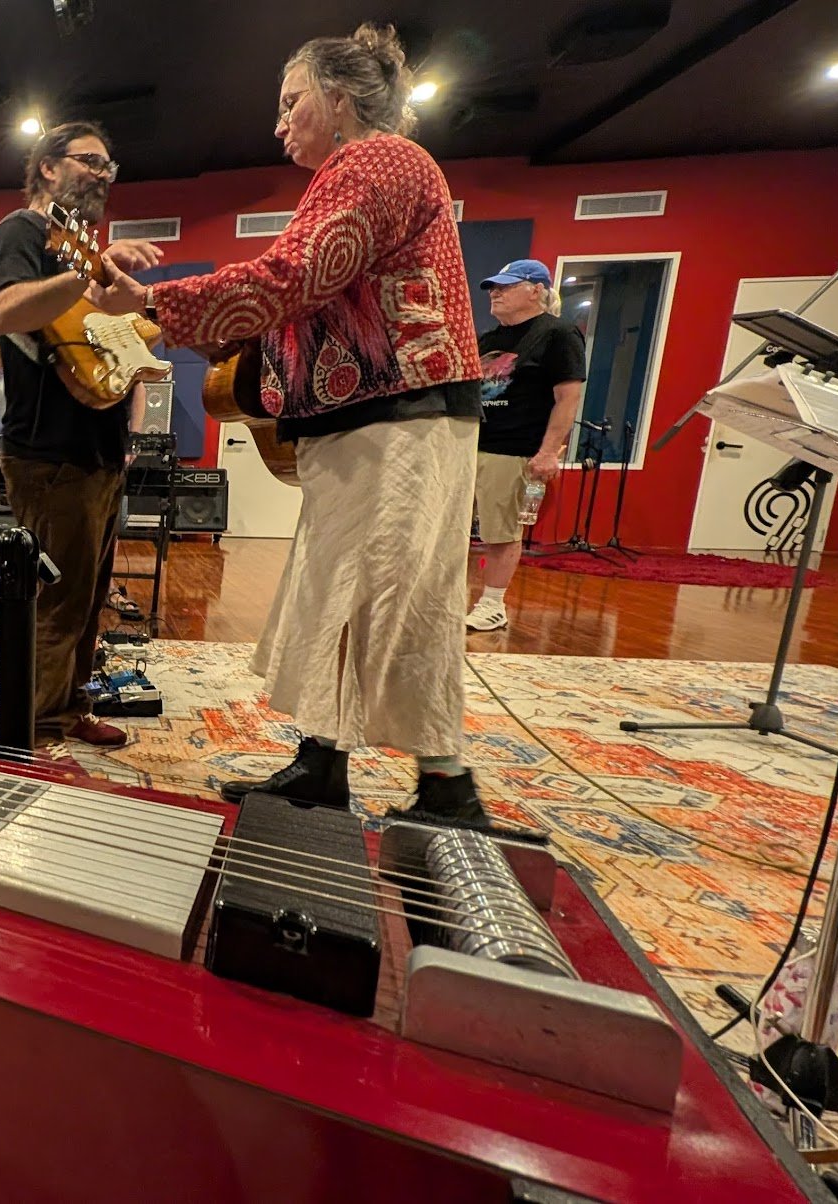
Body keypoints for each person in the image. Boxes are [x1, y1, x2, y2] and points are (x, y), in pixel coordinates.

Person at [95, 24, 495, 828]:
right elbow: (310, 294)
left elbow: (296, 273)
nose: (278, 123)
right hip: (374, 420)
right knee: (340, 593)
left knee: (395, 596)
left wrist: (152, 301)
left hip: (400, 416)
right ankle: (323, 765)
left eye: (291, 102)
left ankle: (449, 788)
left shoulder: (379, 160)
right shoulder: (359, 171)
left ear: (340, 100)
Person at [0, 120, 163, 749]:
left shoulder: (84, 247)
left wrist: (132, 307)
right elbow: (7, 311)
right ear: (48, 167)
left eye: (109, 165)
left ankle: (68, 707)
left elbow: (119, 340)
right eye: (90, 160)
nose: (103, 173)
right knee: (55, 602)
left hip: (99, 451)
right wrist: (89, 276)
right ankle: (34, 730)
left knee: (85, 599)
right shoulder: (23, 230)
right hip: (48, 452)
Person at [466, 259, 585, 632]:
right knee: (453, 530)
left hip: (514, 448)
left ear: (536, 290)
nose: (495, 293)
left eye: (505, 286)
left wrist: (548, 452)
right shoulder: (488, 339)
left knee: (500, 532)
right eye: (492, 288)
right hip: (471, 446)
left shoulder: (558, 334)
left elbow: (567, 398)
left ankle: (493, 605)